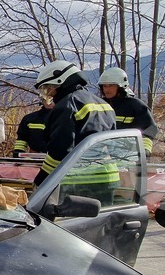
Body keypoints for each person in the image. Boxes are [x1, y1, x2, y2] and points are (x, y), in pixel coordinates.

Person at [32, 60, 117, 197]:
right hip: (110, 178)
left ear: (61, 81)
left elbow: (60, 150)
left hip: (82, 182)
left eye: (49, 88)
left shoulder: (67, 106)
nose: (49, 93)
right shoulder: (102, 103)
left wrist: (42, 179)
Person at [98, 67, 160, 155]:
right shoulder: (100, 105)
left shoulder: (136, 106)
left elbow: (149, 130)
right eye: (104, 86)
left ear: (121, 86)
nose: (107, 89)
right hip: (102, 156)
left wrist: (143, 152)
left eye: (111, 85)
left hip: (128, 157)